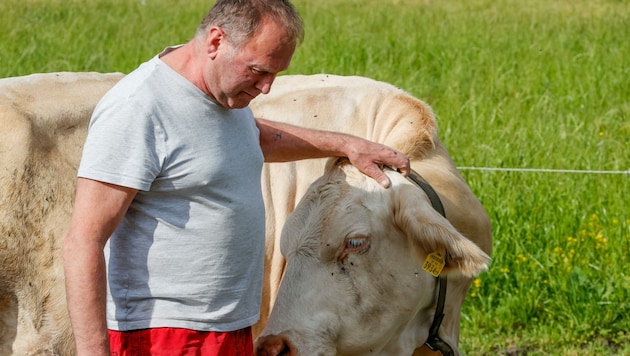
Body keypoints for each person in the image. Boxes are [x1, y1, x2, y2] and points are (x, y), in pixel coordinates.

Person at [62, 0, 410, 355]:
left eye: (275, 74)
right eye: (259, 71)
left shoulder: (219, 96)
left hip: (230, 329)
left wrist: (348, 145)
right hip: (164, 336)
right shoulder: (139, 107)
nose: (267, 88)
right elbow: (83, 242)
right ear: (215, 42)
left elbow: (250, 138)